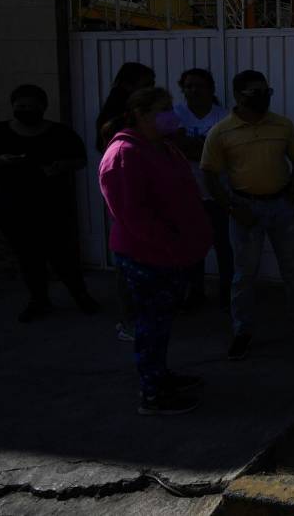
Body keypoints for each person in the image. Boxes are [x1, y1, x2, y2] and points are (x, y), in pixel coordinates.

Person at [98, 87, 212, 415]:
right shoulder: (124, 153)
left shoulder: (164, 147)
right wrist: (171, 243)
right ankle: (152, 394)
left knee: (162, 323)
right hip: (147, 256)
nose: (172, 114)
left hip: (170, 254)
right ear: (141, 114)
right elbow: (133, 214)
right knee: (149, 326)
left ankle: (160, 376)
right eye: (163, 109)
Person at [202, 70, 294, 361]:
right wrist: (232, 207)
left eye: (266, 91)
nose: (263, 97)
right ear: (239, 96)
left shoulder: (282, 125)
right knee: (244, 274)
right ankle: (242, 330)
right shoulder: (221, 131)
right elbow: (209, 174)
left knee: (292, 267)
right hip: (245, 208)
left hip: (281, 206)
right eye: (255, 92)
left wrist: (292, 191)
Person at [0, 84, 100, 322]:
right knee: (28, 257)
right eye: (20, 106)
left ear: (42, 107)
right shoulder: (0, 133)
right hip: (13, 208)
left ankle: (81, 295)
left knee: (63, 256)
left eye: (31, 106)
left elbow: (79, 160)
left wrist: (59, 167)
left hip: (53, 207)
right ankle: (38, 300)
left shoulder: (60, 133)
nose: (25, 110)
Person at [94, 61, 155, 341]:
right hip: (131, 203)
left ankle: (139, 314)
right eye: (146, 83)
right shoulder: (119, 131)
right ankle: (130, 319)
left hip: (139, 200)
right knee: (130, 261)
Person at [173, 68, 233, 310]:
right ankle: (195, 291)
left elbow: (225, 152)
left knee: (224, 245)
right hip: (186, 193)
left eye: (199, 85)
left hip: (218, 191)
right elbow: (176, 148)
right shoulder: (175, 114)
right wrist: (205, 149)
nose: (193, 90)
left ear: (211, 89)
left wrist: (193, 148)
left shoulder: (224, 116)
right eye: (188, 85)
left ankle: (227, 291)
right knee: (192, 245)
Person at [95, 62, 155, 152]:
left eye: (152, 84)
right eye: (146, 85)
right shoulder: (118, 110)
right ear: (127, 85)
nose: (151, 89)